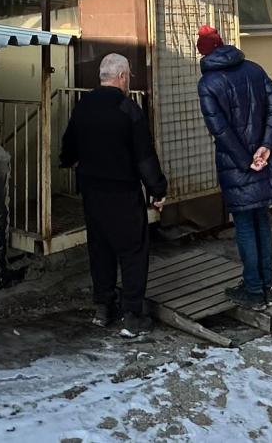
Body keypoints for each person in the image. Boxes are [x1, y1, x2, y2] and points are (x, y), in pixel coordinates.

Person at [59, 51, 167, 337]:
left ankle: (103, 308)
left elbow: (68, 146)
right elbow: (144, 157)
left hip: (92, 191)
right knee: (133, 251)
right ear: (121, 77)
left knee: (100, 249)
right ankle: (132, 315)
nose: (128, 81)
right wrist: (157, 189)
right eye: (128, 76)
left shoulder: (83, 105)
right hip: (122, 192)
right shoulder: (128, 109)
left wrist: (69, 161)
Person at [195, 25, 272, 310]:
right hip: (265, 160)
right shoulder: (254, 70)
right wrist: (266, 147)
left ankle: (253, 288)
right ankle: (266, 284)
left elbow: (220, 129)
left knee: (245, 226)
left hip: (236, 166)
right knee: (261, 220)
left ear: (204, 52)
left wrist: (245, 160)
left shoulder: (208, 84)